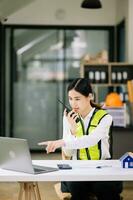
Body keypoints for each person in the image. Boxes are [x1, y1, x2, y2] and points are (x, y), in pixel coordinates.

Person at [39, 78, 123, 200]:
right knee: (77, 188)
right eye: (70, 99)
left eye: (77, 99)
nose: (73, 104)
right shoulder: (68, 118)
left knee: (105, 189)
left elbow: (92, 139)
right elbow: (67, 153)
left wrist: (61, 142)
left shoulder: (105, 117)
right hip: (78, 170)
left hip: (102, 170)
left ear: (90, 96)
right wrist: (73, 130)